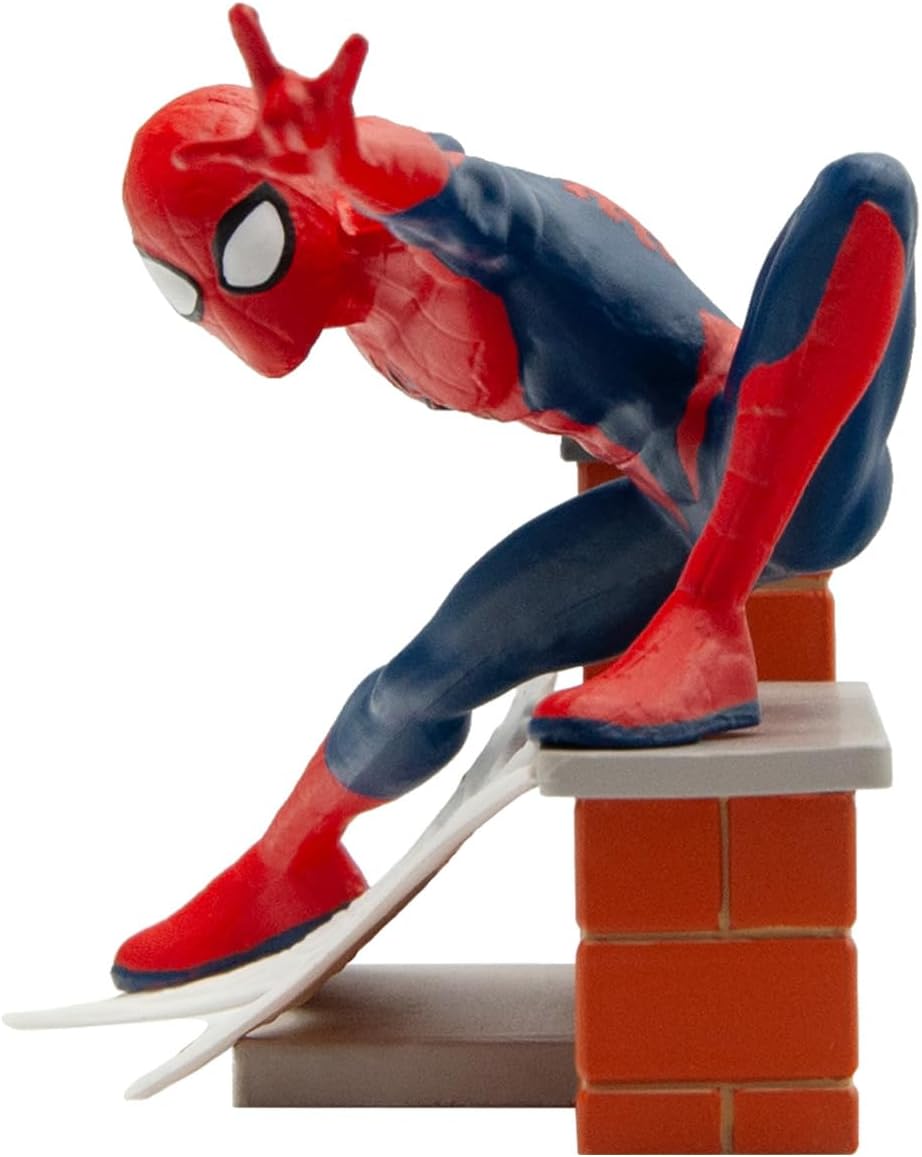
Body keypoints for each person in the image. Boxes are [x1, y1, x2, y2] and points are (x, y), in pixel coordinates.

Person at [113, 4, 916, 991]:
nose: (223, 298)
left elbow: (465, 200)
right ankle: (288, 867)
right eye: (182, 283)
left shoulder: (443, 237)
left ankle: (706, 628)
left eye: (236, 246)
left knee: (870, 184)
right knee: (419, 676)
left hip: (796, 478)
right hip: (670, 510)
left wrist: (350, 153)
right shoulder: (370, 320)